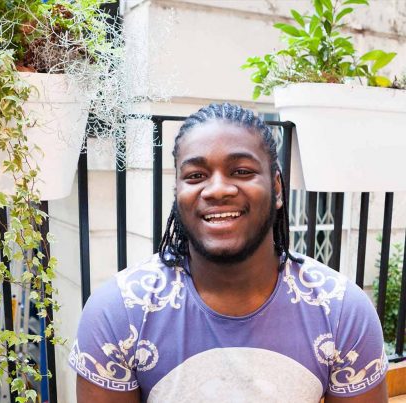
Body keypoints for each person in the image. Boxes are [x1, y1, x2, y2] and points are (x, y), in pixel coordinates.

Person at [68, 103, 388, 403]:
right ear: (177, 193)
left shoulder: (340, 311)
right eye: (195, 175)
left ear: (277, 188)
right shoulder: (120, 311)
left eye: (242, 171)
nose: (218, 189)